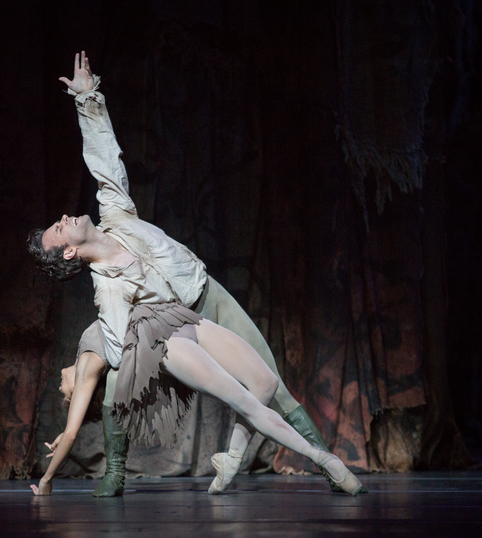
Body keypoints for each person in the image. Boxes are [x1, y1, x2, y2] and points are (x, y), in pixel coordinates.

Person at [27, 51, 366, 496]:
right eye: (59, 227)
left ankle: (239, 456)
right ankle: (117, 472)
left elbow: (104, 161)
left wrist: (88, 100)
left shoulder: (115, 214)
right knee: (226, 391)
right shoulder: (105, 286)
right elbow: (116, 343)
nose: (67, 216)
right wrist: (104, 364)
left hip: (206, 294)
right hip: (176, 328)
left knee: (269, 380)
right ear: (69, 251)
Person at [31, 319, 364, 496]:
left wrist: (65, 430)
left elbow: (72, 427)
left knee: (266, 383)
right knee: (248, 404)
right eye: (67, 397)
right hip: (167, 342)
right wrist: (46, 481)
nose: (62, 388)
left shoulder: (84, 356)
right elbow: (75, 430)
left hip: (182, 319)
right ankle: (322, 457)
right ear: (80, 394)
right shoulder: (89, 364)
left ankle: (231, 460)